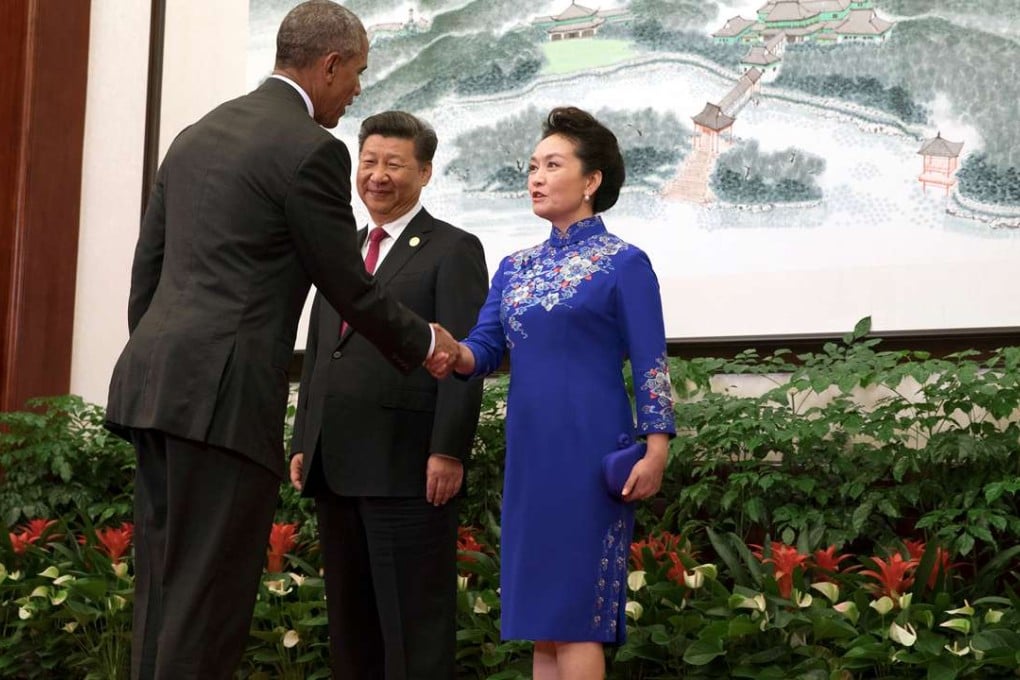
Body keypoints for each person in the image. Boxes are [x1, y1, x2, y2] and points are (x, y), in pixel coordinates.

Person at [104, 4, 459, 679]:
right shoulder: (310, 150)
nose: (355, 90)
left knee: (162, 589)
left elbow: (148, 270)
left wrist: (168, 366)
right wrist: (428, 342)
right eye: (355, 73)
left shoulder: (196, 134)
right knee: (208, 601)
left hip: (155, 389)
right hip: (223, 401)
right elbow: (348, 286)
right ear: (329, 65)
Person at [451, 107, 676, 680]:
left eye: (553, 165)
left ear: (592, 180)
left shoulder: (625, 263)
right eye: (532, 166)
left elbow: (652, 363)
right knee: (543, 624)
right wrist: (448, 353)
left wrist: (657, 448)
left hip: (590, 453)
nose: (537, 177)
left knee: (577, 617)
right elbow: (483, 348)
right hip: (530, 458)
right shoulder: (514, 268)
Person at [289, 110, 488, 679]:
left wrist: (448, 449)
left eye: (394, 164)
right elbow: (322, 346)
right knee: (351, 628)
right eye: (369, 162)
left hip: (407, 468)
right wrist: (306, 437)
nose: (378, 175)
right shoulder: (340, 249)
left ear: (424, 172)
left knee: (413, 629)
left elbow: (461, 357)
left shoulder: (453, 249)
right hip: (336, 464)